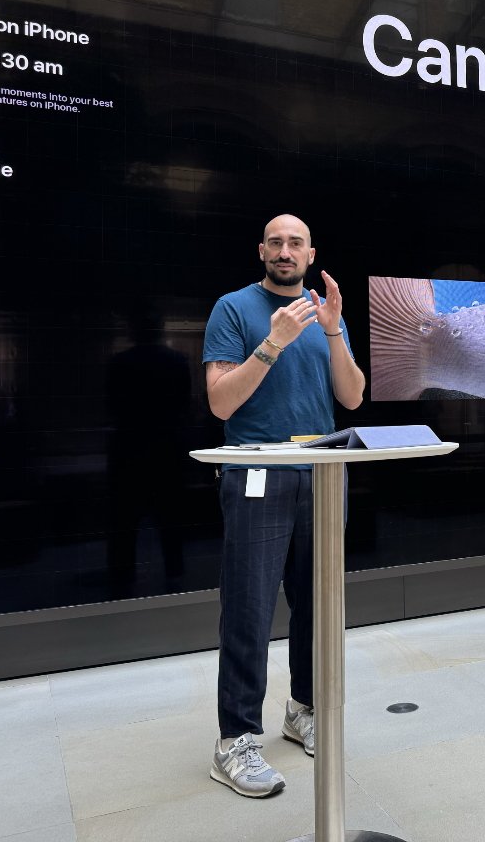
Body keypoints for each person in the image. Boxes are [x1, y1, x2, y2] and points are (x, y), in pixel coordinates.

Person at [202, 214, 365, 798]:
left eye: (296, 242)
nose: (286, 250)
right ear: (262, 251)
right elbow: (221, 403)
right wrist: (273, 343)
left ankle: (304, 710)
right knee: (248, 608)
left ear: (311, 251)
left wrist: (334, 330)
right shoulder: (234, 309)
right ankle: (235, 740)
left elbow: (351, 396)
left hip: (322, 477)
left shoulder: (323, 314)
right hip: (256, 474)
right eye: (276, 242)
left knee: (317, 607)